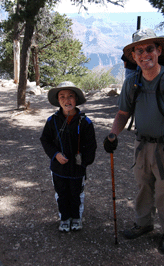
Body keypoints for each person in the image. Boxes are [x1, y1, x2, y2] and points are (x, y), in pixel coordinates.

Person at [103, 28, 164, 253]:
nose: (144, 54)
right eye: (139, 51)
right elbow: (123, 114)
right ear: (133, 56)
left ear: (159, 51)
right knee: (143, 187)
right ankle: (143, 224)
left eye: (149, 49)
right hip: (142, 145)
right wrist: (113, 134)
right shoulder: (132, 82)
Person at [40, 81, 97, 232]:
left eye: (70, 96)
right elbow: (45, 140)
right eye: (62, 97)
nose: (67, 100)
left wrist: (84, 163)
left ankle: (76, 217)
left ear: (76, 99)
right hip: (58, 168)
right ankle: (64, 218)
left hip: (78, 169)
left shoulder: (85, 122)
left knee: (76, 193)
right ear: (58, 101)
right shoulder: (52, 121)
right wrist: (55, 154)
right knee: (61, 193)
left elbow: (91, 145)